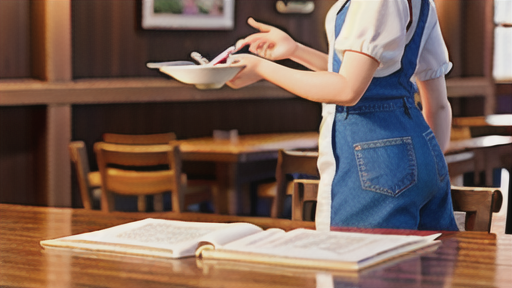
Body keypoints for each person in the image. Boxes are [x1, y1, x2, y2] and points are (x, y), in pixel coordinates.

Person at [227, 0, 459, 231]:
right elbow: (437, 105)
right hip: (426, 156)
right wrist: (295, 51)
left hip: (374, 161)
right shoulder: (423, 4)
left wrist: (262, 69)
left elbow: (347, 89)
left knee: (364, 264)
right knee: (435, 264)